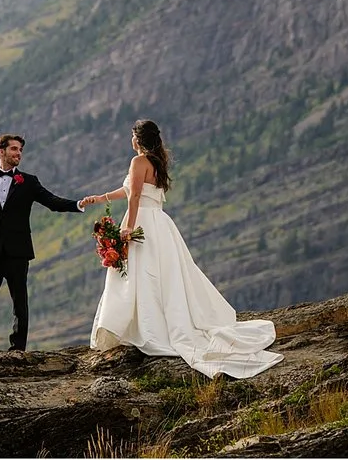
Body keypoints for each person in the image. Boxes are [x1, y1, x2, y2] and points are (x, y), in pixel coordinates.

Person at [79, 120, 282, 378]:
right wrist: (102, 198)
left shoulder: (138, 162)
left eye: (132, 136)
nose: (130, 141)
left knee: (142, 274)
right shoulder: (156, 161)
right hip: (159, 223)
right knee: (161, 275)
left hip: (142, 221)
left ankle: (145, 327)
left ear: (138, 139)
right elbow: (133, 190)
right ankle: (149, 323)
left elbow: (136, 197)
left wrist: (127, 227)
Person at [0, 133, 85, 352]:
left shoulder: (28, 181)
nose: (19, 154)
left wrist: (78, 204)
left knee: (20, 303)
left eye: (20, 150)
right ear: (2, 151)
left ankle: (17, 349)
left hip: (18, 251)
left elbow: (52, 202)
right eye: (14, 149)